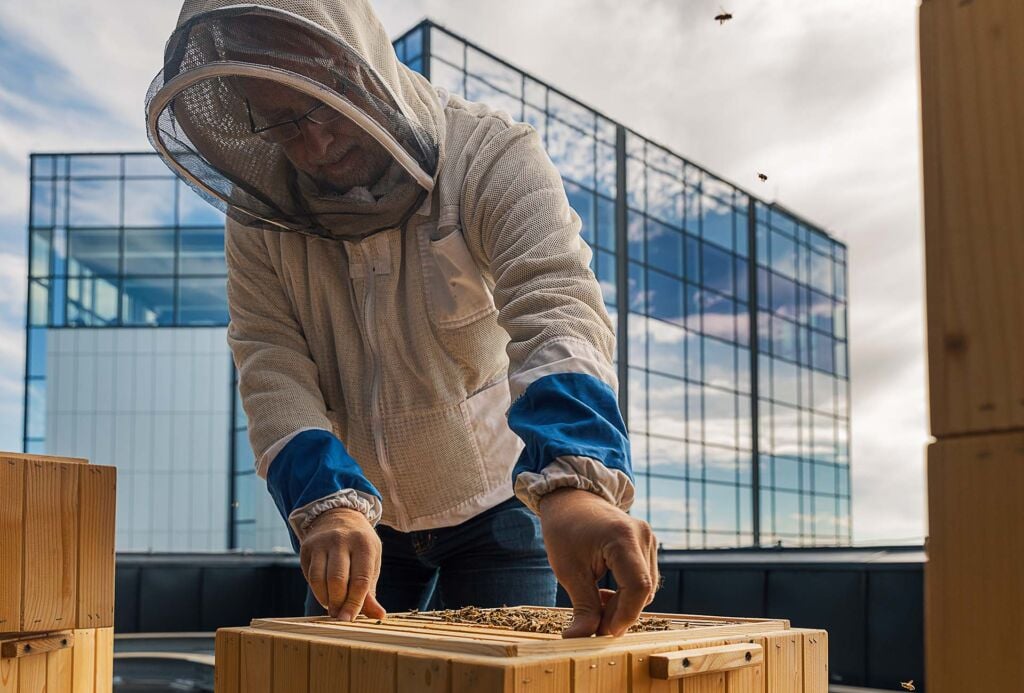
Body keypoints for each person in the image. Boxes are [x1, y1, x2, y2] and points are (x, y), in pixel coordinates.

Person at [146, 0, 658, 637]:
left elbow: (554, 301)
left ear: (362, 66)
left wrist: (575, 482)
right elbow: (268, 353)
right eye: (281, 124)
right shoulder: (260, 213)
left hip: (499, 509)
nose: (314, 144)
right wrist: (323, 502)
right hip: (354, 520)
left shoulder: (490, 154)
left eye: (322, 105)